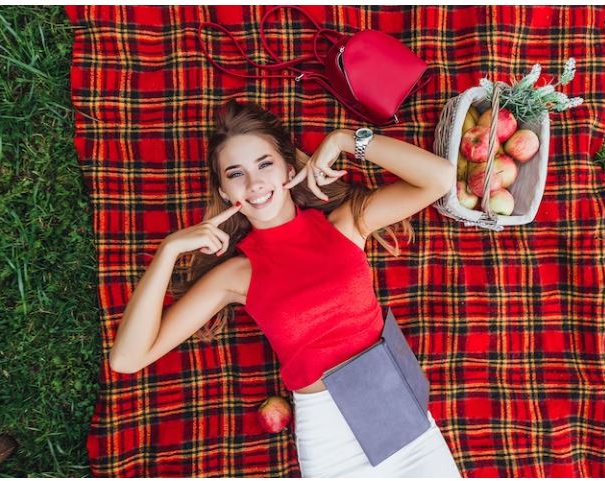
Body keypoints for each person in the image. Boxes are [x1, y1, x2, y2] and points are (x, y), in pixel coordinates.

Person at [108, 99, 462, 477]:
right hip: (329, 434)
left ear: (288, 169)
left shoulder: (345, 224)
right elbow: (127, 359)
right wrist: (168, 250)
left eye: (264, 164)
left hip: (394, 408)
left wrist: (344, 140)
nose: (255, 183)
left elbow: (441, 178)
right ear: (225, 193)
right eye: (235, 174)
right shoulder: (235, 275)